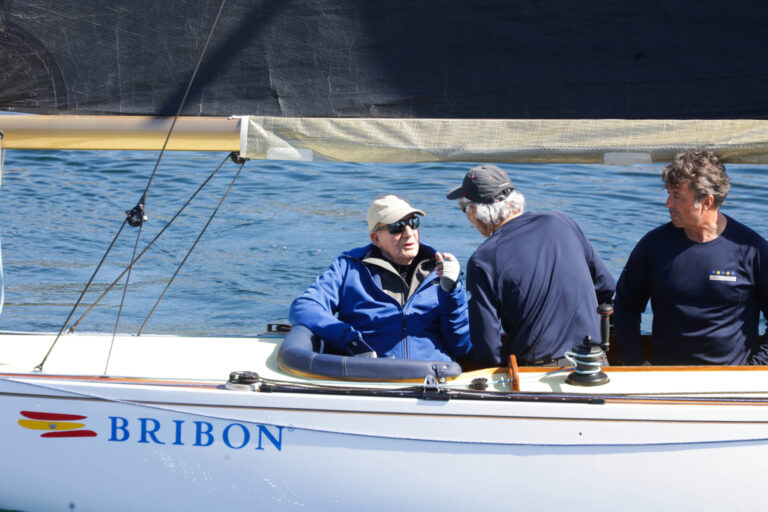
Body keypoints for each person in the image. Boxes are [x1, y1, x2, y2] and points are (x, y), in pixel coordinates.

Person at [446, 164, 615, 368]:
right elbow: (606, 286)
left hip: (538, 373)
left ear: (476, 211)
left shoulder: (483, 260)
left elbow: (487, 344)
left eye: (464, 208)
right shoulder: (562, 221)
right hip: (595, 362)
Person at [614, 150, 768, 365]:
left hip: (733, 382)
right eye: (668, 193)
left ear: (707, 202)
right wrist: (635, 363)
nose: (668, 203)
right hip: (665, 378)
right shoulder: (653, 245)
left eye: (677, 196)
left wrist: (755, 369)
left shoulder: (753, 249)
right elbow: (625, 305)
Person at [289, 194, 471, 362]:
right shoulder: (349, 268)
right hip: (373, 376)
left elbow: (460, 346)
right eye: (397, 227)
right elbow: (304, 306)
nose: (409, 233)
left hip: (432, 377)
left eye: (413, 223)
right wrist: (350, 340)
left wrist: (452, 291)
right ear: (376, 238)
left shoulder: (442, 272)